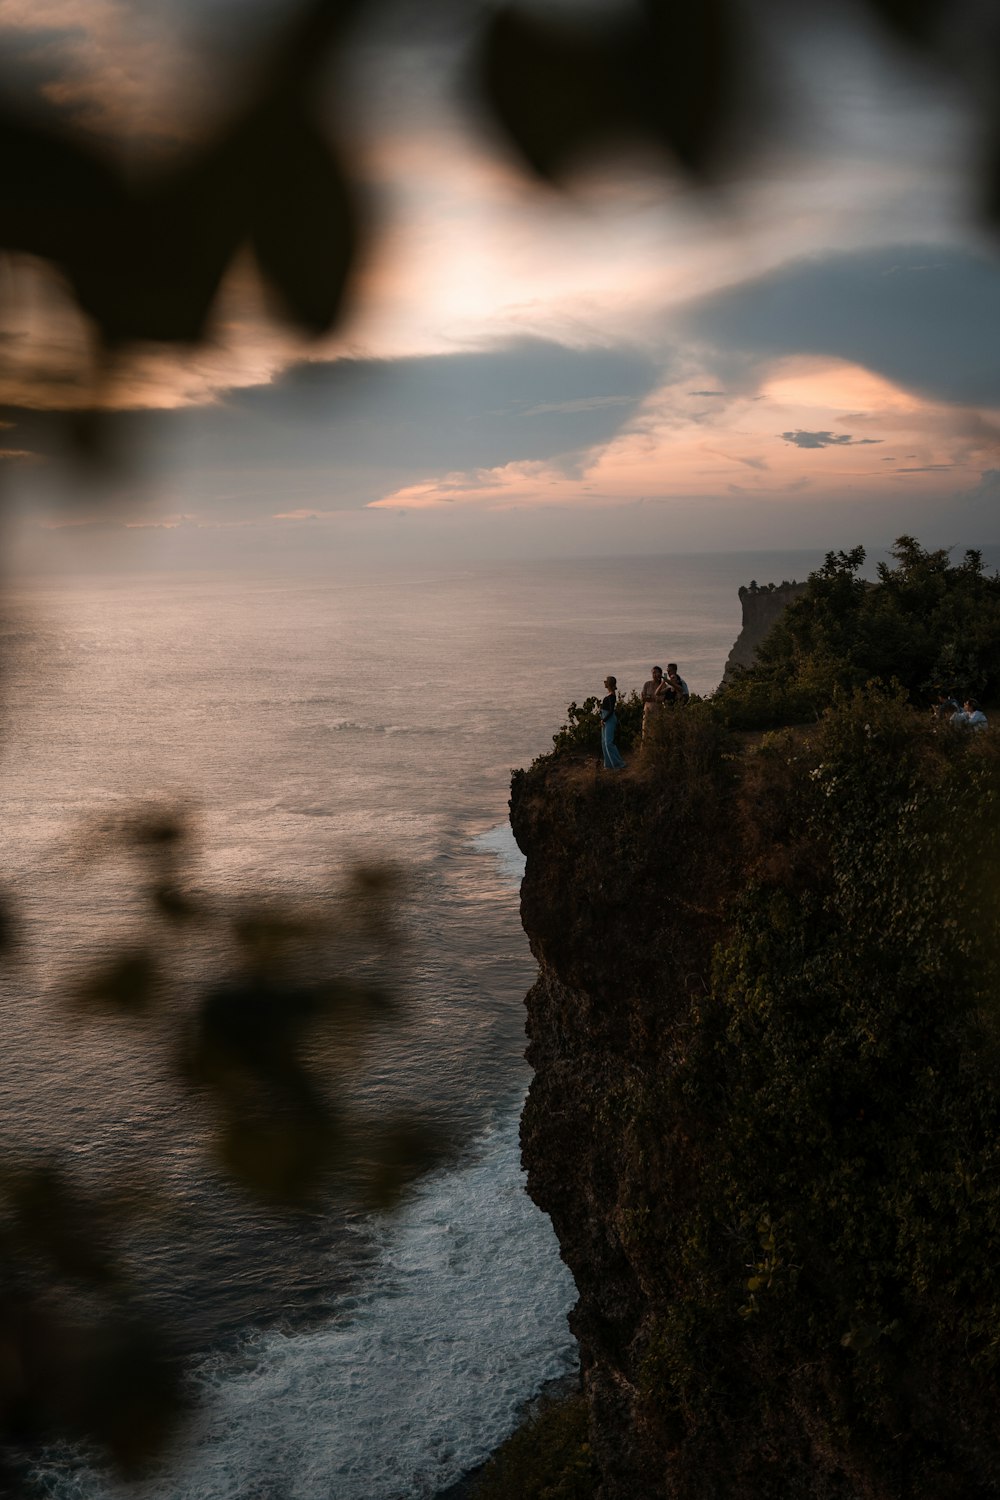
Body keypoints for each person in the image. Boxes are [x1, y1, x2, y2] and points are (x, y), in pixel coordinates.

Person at [600, 676, 626, 769]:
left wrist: (604, 720)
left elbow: (611, 711)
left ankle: (618, 764)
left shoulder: (612, 696)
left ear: (609, 683)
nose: (604, 682)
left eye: (605, 681)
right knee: (604, 742)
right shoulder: (609, 694)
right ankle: (608, 765)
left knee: (608, 743)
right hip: (605, 718)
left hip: (609, 719)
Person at [640, 665, 665, 738]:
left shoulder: (663, 685)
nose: (654, 675)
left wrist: (650, 698)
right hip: (647, 710)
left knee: (656, 731)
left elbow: (662, 699)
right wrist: (653, 698)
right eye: (653, 673)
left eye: (656, 673)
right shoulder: (647, 684)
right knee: (645, 730)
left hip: (658, 710)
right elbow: (643, 697)